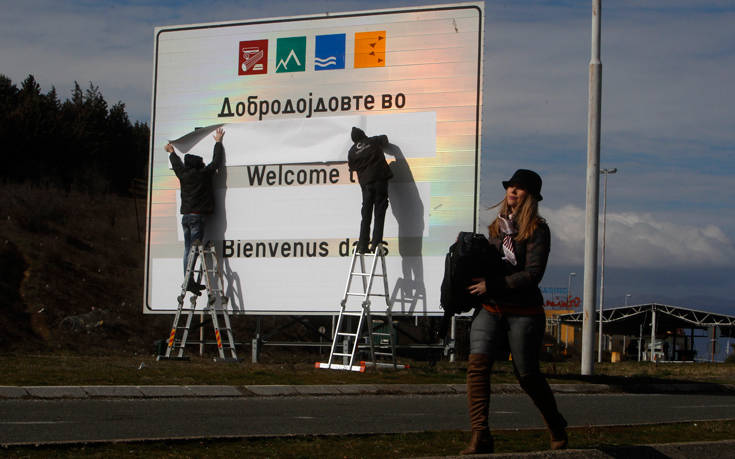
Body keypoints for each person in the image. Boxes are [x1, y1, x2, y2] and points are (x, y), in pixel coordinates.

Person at [461, 169, 567, 455]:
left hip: (524, 310)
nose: (513, 191)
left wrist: (493, 283)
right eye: (511, 187)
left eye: (520, 189)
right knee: (477, 367)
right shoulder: (497, 227)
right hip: (491, 306)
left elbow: (533, 274)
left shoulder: (537, 229)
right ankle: (480, 435)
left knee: (527, 375)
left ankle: (556, 424)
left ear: (530, 197)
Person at [165, 127, 225, 292]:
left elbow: (176, 164)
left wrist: (171, 151)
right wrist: (218, 142)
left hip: (186, 217)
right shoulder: (204, 174)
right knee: (193, 250)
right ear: (199, 165)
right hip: (198, 217)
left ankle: (188, 279)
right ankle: (189, 280)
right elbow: (217, 161)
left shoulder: (183, 175)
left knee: (187, 249)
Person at [347, 126, 392, 253]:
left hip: (366, 185)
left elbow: (352, 167)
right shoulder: (372, 141)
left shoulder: (351, 152)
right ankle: (376, 243)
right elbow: (385, 139)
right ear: (363, 135)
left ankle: (362, 245)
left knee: (366, 215)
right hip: (379, 180)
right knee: (379, 210)